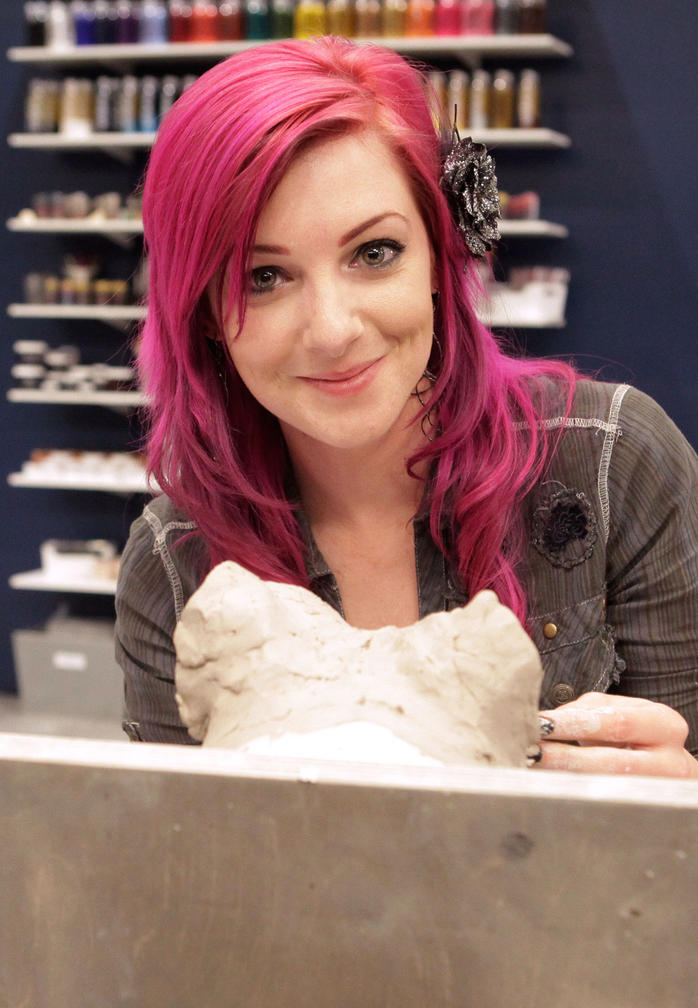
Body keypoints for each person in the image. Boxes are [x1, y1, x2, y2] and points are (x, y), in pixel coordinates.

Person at [115, 36, 698, 778]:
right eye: (264, 277)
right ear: (201, 310)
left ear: (438, 254)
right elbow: (186, 848)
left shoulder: (615, 464)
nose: (333, 331)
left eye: (374, 253)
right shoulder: (172, 568)